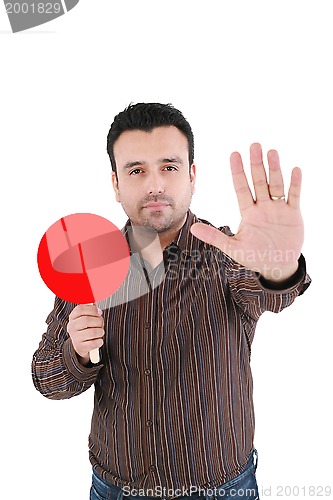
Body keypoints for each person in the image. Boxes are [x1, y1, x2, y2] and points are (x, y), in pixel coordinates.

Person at [32, 103, 311, 500]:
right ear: (115, 183)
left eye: (169, 166)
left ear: (192, 175)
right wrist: (75, 352)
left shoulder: (230, 254)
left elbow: (272, 291)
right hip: (115, 488)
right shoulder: (86, 265)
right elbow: (46, 380)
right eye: (136, 170)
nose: (154, 185)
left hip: (222, 489)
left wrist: (279, 266)